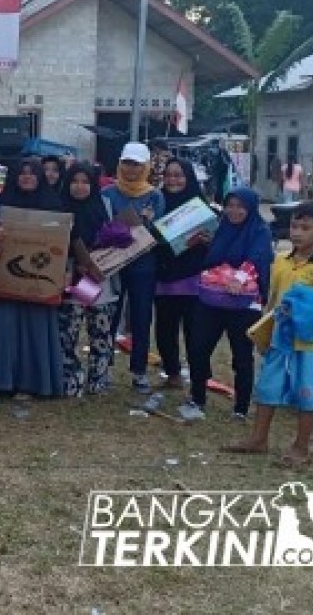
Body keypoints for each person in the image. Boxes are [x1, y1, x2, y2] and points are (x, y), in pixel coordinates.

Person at [223, 202, 313, 467]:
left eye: (306, 227)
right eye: (294, 226)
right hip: (281, 339)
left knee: (307, 394)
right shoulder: (280, 261)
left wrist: (311, 313)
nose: (298, 233)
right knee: (268, 388)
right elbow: (272, 301)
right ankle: (258, 439)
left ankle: (301, 447)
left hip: (311, 342)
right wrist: (264, 333)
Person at [185, 187, 274, 422]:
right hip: (212, 298)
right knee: (198, 347)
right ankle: (197, 396)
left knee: (242, 355)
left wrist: (240, 278)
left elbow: (257, 257)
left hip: (243, 304)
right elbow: (213, 258)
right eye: (230, 205)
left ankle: (241, 407)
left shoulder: (260, 231)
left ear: (251, 208)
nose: (234, 211)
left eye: (240, 206)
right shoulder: (221, 228)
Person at [0, 157, 65, 398]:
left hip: (40, 281)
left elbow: (66, 242)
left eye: (32, 173)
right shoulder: (0, 204)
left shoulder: (54, 203)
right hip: (6, 281)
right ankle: (3, 382)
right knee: (5, 329)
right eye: (21, 173)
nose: (27, 177)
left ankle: (38, 383)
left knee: (37, 331)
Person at [103, 142, 166, 393]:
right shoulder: (108, 193)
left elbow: (157, 231)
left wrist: (145, 225)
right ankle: (103, 366)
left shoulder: (155, 196)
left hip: (144, 264)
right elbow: (102, 226)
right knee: (110, 315)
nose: (131, 169)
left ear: (146, 167)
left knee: (141, 316)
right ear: (119, 164)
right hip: (113, 263)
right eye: (127, 163)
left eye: (137, 165)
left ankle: (138, 370)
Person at [58, 162, 120, 397]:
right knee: (67, 333)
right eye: (75, 181)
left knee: (100, 333)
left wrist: (97, 262)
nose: (79, 187)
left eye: (85, 182)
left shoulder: (104, 206)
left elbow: (118, 238)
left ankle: (99, 380)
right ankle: (70, 380)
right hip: (70, 276)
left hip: (99, 278)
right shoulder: (60, 206)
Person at [153, 158, 209, 390]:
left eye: (178, 175)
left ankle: (199, 375)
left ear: (188, 178)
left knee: (195, 331)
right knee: (165, 329)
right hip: (164, 276)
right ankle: (172, 372)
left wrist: (207, 241)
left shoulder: (200, 206)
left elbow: (212, 242)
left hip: (192, 277)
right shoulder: (156, 203)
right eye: (168, 175)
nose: (172, 180)